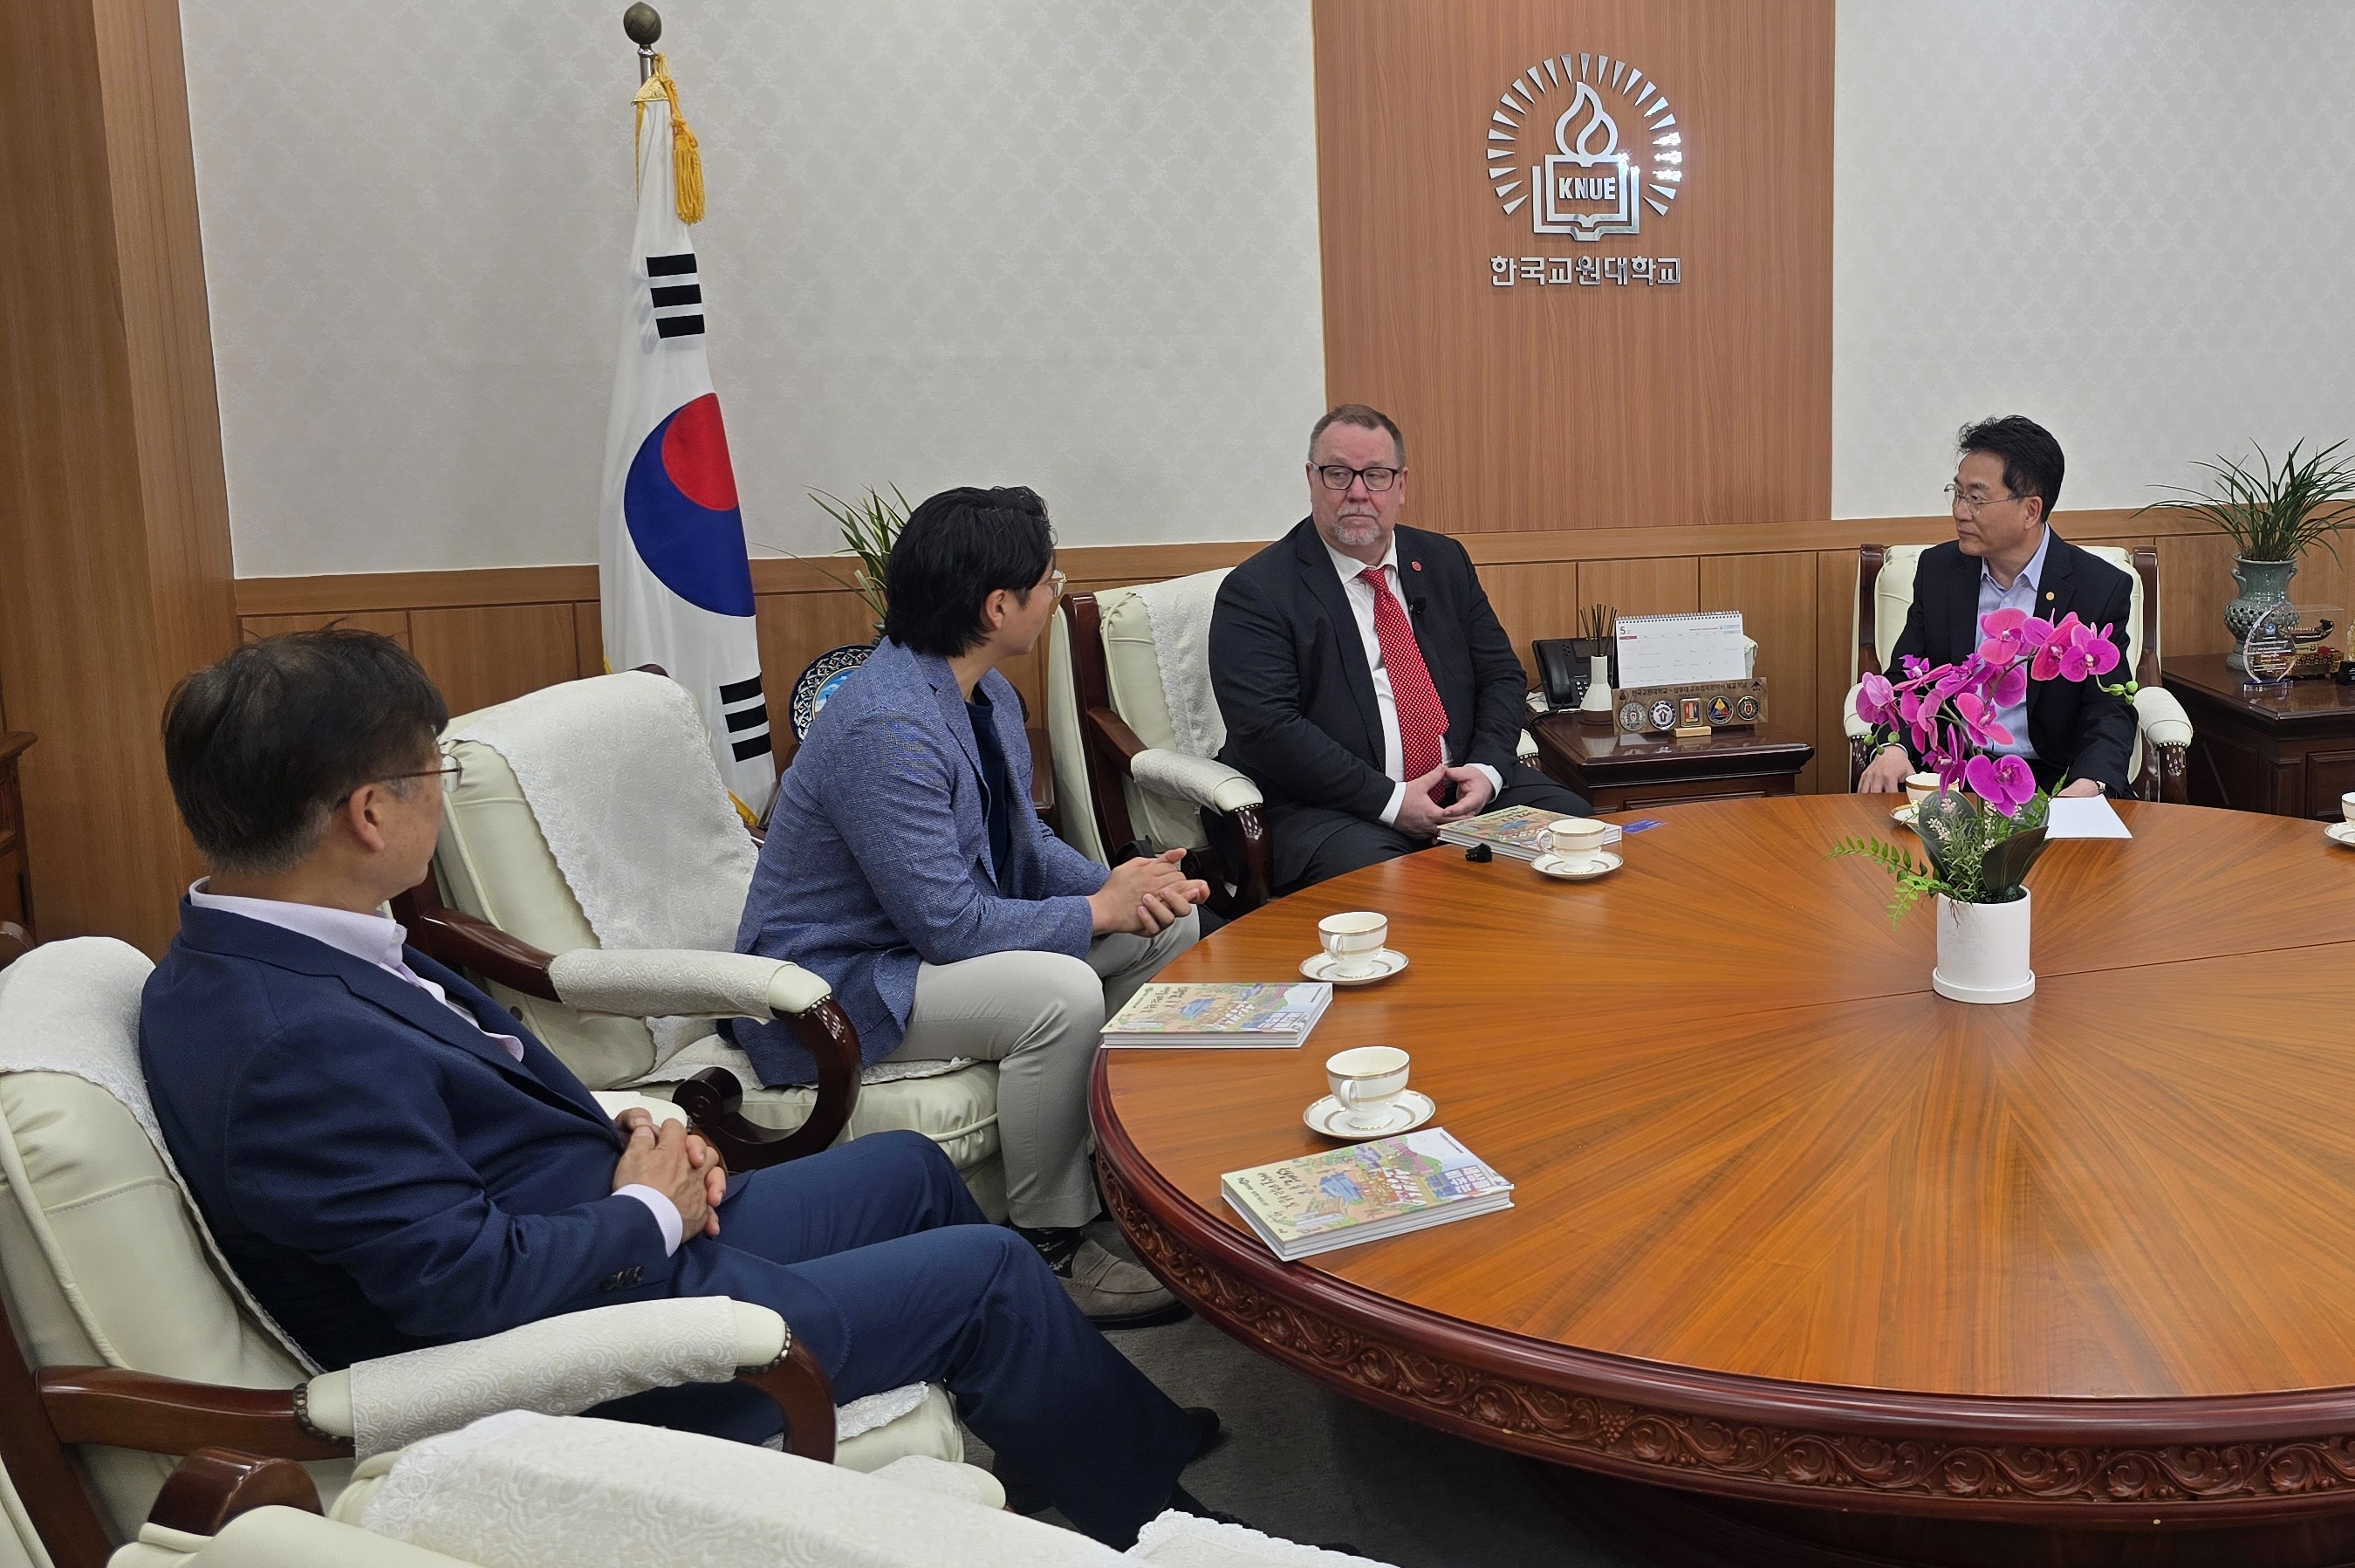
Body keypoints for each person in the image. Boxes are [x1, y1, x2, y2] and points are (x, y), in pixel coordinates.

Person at [139, 631, 1220, 1544]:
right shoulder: (289, 1043)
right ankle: (1166, 1533)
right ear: (373, 812)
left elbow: (457, 1123)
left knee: (908, 1168)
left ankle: (1081, 1442)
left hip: (600, 1229)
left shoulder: (280, 943)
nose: (442, 793)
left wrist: (637, 1140)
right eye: (438, 772)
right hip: (590, 1344)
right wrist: (647, 1209)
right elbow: (462, 1292)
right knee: (986, 1273)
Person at [736, 486, 1205, 1326]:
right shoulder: (886, 726)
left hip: (917, 949)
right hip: (839, 984)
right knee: (1059, 996)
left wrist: (1128, 889)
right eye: (1049, 580)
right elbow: (949, 926)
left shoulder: (983, 694)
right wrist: (1099, 910)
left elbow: (1024, 849)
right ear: (998, 607)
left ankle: (1116, 1169)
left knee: (1168, 926)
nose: (1055, 593)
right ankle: (1049, 1242)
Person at [1211, 405, 1590, 894]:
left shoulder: (1443, 560)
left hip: (1465, 788)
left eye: (1376, 475)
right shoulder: (1257, 590)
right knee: (1393, 884)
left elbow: (1501, 675)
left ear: (1401, 485)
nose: (1358, 493)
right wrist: (1391, 801)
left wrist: (1486, 770)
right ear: (1311, 479)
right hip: (1329, 808)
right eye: (1338, 474)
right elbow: (1268, 729)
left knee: (1577, 833)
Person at [1855, 415, 2138, 798]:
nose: (1959, 511)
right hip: (1950, 778)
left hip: (2053, 784)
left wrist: (2090, 782)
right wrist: (1895, 748)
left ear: (2030, 510)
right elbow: (1906, 681)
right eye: (1957, 493)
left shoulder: (2098, 587)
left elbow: (2109, 708)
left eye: (1977, 498)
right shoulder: (1939, 571)